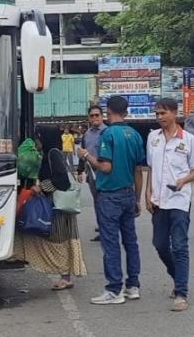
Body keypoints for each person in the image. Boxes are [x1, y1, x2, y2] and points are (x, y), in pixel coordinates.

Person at [78, 96, 145, 305]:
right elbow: (138, 170)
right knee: (130, 242)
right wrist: (137, 198)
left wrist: (86, 155)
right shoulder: (134, 135)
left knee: (110, 243)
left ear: (108, 111)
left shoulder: (108, 135)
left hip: (109, 194)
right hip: (128, 193)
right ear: (126, 111)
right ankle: (133, 286)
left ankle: (114, 289)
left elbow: (105, 167)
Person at [146, 98, 194, 312]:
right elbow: (151, 168)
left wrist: (184, 180)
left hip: (179, 200)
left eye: (163, 113)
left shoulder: (188, 139)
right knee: (160, 245)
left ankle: (181, 292)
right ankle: (177, 276)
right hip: (159, 201)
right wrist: (147, 193)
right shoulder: (153, 138)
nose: (160, 117)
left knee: (179, 245)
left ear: (174, 113)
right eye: (157, 114)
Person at [14, 125, 87, 290]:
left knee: (58, 239)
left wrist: (41, 188)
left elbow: (62, 181)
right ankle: (65, 276)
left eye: (38, 138)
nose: (36, 142)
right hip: (55, 204)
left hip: (57, 206)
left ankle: (65, 277)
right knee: (58, 239)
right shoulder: (51, 152)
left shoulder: (53, 153)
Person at [77, 105, 107, 242]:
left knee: (105, 201)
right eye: (92, 116)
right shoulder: (87, 134)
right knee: (97, 201)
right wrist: (80, 171)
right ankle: (102, 225)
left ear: (102, 116)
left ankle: (106, 229)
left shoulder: (108, 132)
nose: (94, 118)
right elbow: (83, 153)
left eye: (97, 115)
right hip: (91, 174)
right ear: (89, 118)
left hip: (105, 173)